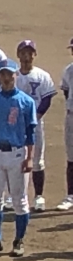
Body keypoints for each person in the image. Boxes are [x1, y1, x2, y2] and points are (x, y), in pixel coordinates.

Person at [0, 60, 37, 256]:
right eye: (3, 74)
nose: (6, 78)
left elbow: (31, 133)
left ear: (16, 75)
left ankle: (19, 240)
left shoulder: (26, 102)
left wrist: (30, 158)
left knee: (19, 200)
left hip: (17, 154)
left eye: (10, 74)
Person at [14, 40, 56, 212]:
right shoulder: (13, 75)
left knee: (37, 160)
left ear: (35, 55)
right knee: (14, 159)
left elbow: (46, 99)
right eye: (23, 52)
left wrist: (35, 117)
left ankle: (38, 196)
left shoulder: (42, 76)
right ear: (18, 55)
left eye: (30, 52)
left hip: (35, 125)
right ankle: (15, 195)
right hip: (14, 125)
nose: (27, 56)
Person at [58, 38, 73, 211]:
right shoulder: (69, 70)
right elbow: (66, 92)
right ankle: (71, 195)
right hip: (71, 116)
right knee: (71, 156)